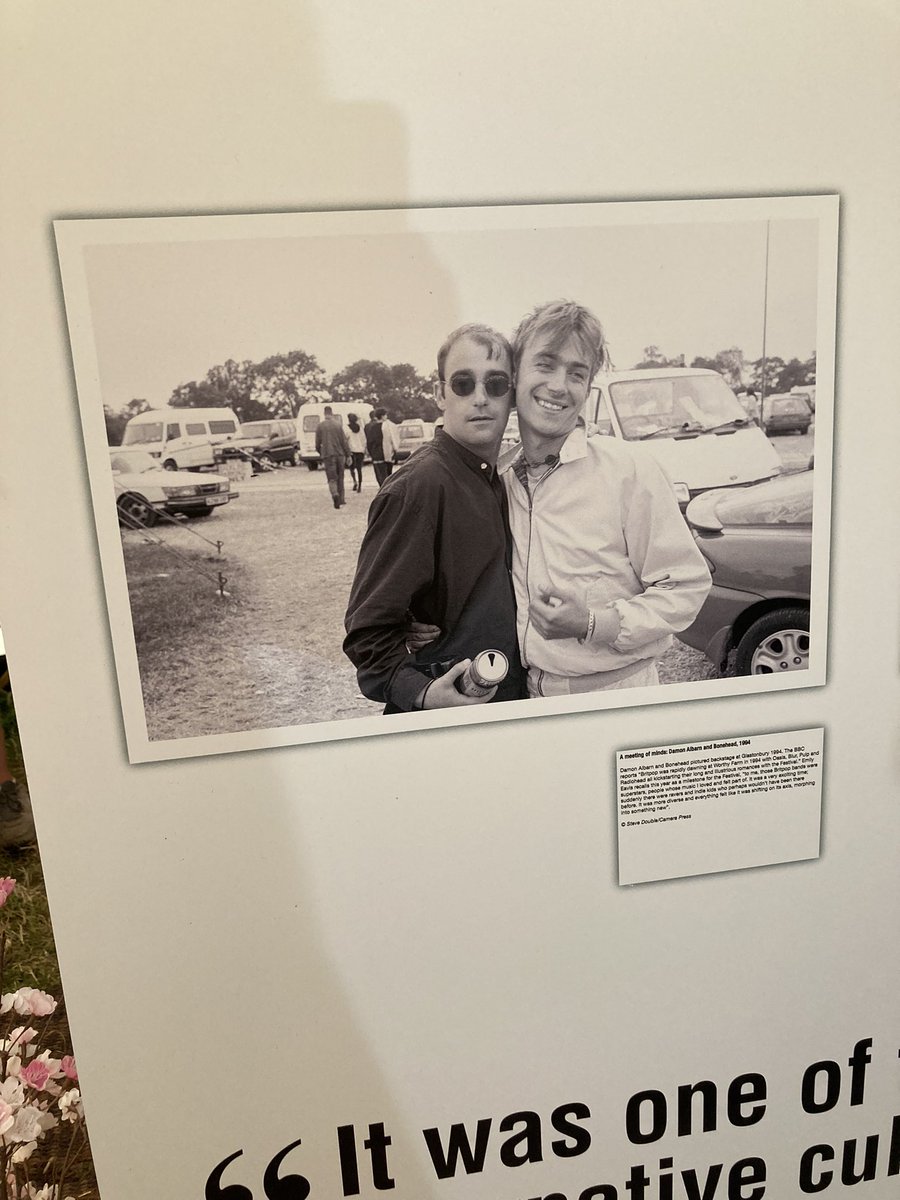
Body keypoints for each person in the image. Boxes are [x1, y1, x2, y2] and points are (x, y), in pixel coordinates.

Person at [500, 300, 712, 696]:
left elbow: (686, 587)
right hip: (531, 694)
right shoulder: (501, 477)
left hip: (618, 694)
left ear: (588, 387)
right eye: (545, 364)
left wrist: (594, 623)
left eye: (576, 373)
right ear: (515, 374)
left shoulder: (628, 470)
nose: (559, 385)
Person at [344, 324, 524, 713]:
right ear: (440, 393)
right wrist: (422, 694)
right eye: (463, 383)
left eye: (496, 384)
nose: (480, 398)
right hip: (450, 717)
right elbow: (368, 630)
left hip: (512, 704)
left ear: (511, 394)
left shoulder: (506, 478)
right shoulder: (417, 488)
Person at [315, 406, 351, 509]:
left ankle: (335, 494)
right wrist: (348, 454)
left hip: (328, 455)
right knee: (341, 477)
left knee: (332, 478)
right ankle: (342, 499)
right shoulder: (338, 425)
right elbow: (344, 441)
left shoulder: (320, 426)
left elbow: (317, 443)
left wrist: (321, 452)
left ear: (324, 413)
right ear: (332, 413)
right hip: (340, 454)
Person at [364, 408, 393, 488]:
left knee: (380, 475)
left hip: (377, 454)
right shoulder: (388, 427)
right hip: (388, 454)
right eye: (386, 415)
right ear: (382, 416)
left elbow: (369, 442)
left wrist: (371, 453)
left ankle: (383, 491)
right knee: (389, 475)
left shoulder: (373, 428)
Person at [346, 412, 366, 492]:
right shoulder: (360, 428)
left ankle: (355, 482)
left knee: (352, 468)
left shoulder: (347, 429)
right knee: (359, 469)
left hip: (351, 451)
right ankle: (360, 486)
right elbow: (364, 439)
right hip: (360, 451)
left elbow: (346, 439)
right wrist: (363, 448)